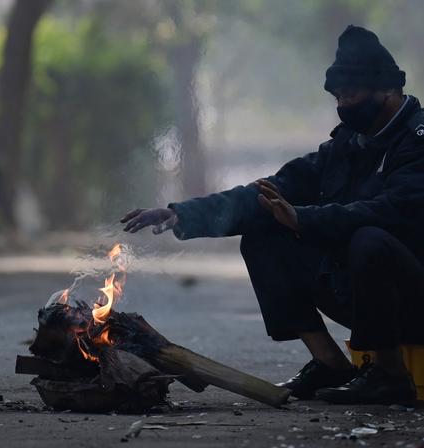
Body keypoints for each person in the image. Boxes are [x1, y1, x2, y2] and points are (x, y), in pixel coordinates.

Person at [121, 25, 424, 406]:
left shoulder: (417, 141)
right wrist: (180, 213)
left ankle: (390, 375)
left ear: (389, 91)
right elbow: (269, 192)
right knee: (265, 230)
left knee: (370, 237)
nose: (344, 105)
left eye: (352, 94)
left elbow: (393, 212)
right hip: (363, 294)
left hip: (411, 294)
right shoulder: (346, 144)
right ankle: (330, 363)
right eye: (338, 96)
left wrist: (304, 219)